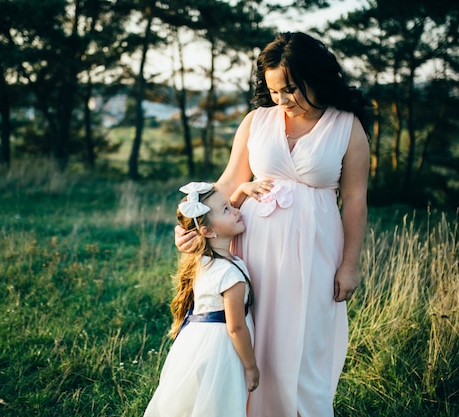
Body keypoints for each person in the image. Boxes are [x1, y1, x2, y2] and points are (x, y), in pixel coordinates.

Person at [174, 32, 370, 417]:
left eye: (292, 88)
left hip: (314, 252)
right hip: (253, 249)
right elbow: (229, 183)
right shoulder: (256, 122)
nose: (282, 100)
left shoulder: (348, 127)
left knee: (304, 340)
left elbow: (355, 200)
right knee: (254, 334)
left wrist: (350, 264)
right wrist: (191, 223)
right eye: (274, 91)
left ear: (316, 76)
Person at [145, 182, 259, 417]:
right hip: (222, 351)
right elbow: (236, 328)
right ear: (207, 231)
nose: (237, 210)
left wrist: (239, 193)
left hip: (194, 344)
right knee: (217, 405)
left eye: (231, 205)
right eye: (227, 209)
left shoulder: (203, 262)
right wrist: (251, 367)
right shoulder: (231, 275)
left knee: (192, 402)